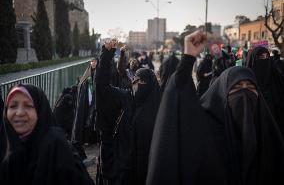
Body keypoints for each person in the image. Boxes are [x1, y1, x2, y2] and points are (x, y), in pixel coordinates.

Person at [146, 30, 284, 185]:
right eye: (237, 87)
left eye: (250, 87)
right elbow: (178, 104)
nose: (244, 92)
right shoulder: (208, 131)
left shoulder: (268, 133)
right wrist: (188, 59)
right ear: (223, 94)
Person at [0, 84, 95, 185]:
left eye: (28, 105)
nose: (19, 113)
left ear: (39, 110)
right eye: (13, 106)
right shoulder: (4, 144)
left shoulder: (57, 147)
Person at [95, 41, 161, 185]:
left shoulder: (160, 111)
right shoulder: (125, 98)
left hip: (148, 172)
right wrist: (106, 57)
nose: (137, 84)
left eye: (141, 81)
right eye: (135, 80)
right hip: (123, 171)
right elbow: (102, 87)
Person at [246, 46, 284, 136]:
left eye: (267, 57)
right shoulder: (246, 83)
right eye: (261, 57)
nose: (264, 60)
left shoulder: (276, 80)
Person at [71, 57, 99, 160]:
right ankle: (84, 138)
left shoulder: (99, 73)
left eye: (95, 61)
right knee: (84, 118)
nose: (93, 63)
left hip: (95, 100)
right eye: (92, 61)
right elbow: (81, 84)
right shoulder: (87, 74)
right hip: (87, 100)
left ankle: (92, 139)